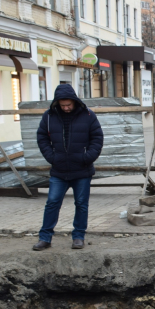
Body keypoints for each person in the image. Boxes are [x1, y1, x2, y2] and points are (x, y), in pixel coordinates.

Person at [33, 84, 104, 251]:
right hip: (59, 170)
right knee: (52, 202)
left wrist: (87, 157)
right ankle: (45, 238)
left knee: (81, 204)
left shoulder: (88, 115)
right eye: (62, 105)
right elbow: (42, 137)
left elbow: (97, 138)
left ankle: (78, 236)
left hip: (82, 170)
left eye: (68, 105)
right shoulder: (49, 116)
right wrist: (52, 157)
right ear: (57, 103)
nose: (65, 108)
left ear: (74, 101)